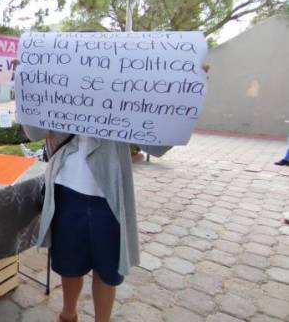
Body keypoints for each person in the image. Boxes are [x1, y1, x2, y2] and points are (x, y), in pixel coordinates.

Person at [21, 64, 209, 322]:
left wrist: (189, 91)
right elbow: (34, 132)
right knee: (69, 263)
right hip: (65, 192)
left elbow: (157, 144)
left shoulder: (125, 94)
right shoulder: (60, 88)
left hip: (109, 197)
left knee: (107, 267)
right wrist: (26, 88)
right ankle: (68, 314)